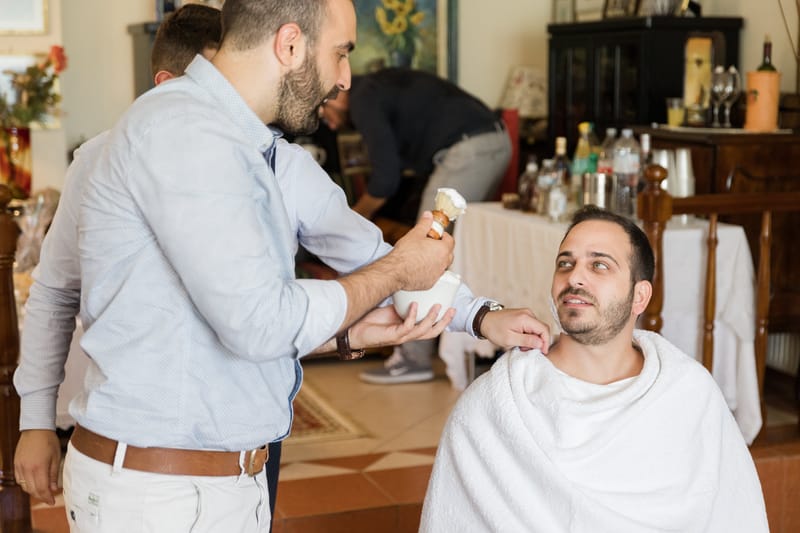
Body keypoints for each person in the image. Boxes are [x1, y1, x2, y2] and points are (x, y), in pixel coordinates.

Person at [14, 1, 550, 530]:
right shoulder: (180, 130)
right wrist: (396, 274)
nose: (344, 80)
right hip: (163, 494)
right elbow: (261, 321)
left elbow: (358, 257)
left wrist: (480, 315)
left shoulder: (267, 155)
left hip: (227, 480)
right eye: (339, 53)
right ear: (289, 44)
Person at [420, 206, 768, 532]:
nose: (576, 278)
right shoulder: (494, 405)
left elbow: (735, 515)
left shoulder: (689, 393)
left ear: (639, 297)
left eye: (599, 265)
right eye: (565, 263)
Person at [319, 67, 512, 384]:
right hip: (487, 142)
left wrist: (350, 220)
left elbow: (385, 180)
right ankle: (448, 341)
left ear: (339, 93)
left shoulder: (364, 99)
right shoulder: (375, 89)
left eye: (325, 107)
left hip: (471, 148)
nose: (326, 119)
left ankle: (413, 358)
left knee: (425, 246)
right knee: (444, 245)